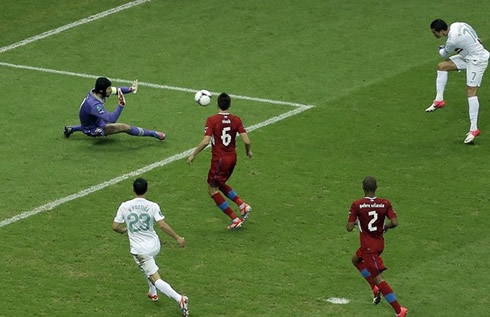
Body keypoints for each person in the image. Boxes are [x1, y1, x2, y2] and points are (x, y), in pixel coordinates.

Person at [112, 178, 189, 317]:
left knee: (154, 277)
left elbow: (115, 226)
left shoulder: (124, 206)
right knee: (148, 267)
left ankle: (180, 299)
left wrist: (124, 230)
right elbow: (162, 225)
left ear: (133, 189)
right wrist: (178, 237)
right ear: (147, 190)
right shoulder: (153, 205)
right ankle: (153, 293)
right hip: (154, 245)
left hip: (140, 251)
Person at [187, 92, 252, 230]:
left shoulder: (212, 120)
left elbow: (206, 141)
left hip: (220, 160)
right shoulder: (236, 120)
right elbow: (246, 140)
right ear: (230, 104)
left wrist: (193, 154)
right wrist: (248, 151)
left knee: (212, 189)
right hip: (232, 158)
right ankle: (242, 205)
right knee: (220, 183)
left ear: (217, 104)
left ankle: (234, 219)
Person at [346, 176, 407, 317]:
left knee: (379, 278)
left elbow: (349, 227)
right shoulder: (385, 203)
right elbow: (395, 222)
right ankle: (374, 288)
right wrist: (386, 226)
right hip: (379, 243)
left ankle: (399, 311)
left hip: (369, 248)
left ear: (363, 188)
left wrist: (358, 222)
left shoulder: (357, 204)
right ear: (376, 188)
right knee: (355, 259)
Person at [426, 19, 489, 144]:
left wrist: (441, 48)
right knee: (442, 66)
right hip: (468, 56)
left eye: (434, 33)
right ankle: (439, 100)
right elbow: (470, 29)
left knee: (471, 92)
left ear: (441, 31)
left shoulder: (452, 41)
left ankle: (473, 129)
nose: (434, 35)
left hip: (477, 61)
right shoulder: (457, 24)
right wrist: (476, 40)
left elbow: (443, 53)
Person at [64, 77, 166, 141]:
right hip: (93, 128)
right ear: (101, 90)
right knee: (124, 127)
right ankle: (153, 134)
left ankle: (71, 128)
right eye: (108, 89)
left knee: (91, 122)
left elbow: (117, 90)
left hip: (94, 120)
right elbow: (111, 119)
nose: (111, 90)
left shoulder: (96, 92)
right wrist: (121, 105)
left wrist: (130, 89)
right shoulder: (94, 106)